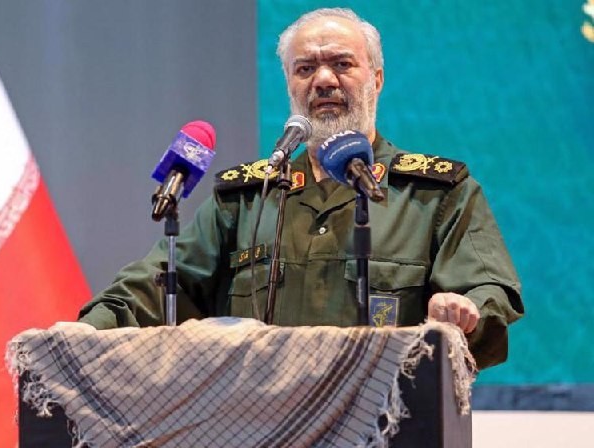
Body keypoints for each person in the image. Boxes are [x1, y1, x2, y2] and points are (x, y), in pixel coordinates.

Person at [78, 7, 524, 369]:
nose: (323, 80)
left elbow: (489, 292)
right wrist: (87, 331)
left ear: (377, 80)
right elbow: (158, 283)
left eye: (342, 64)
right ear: (290, 84)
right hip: (256, 424)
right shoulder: (247, 199)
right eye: (305, 68)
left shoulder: (434, 193)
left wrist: (463, 310)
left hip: (389, 418)